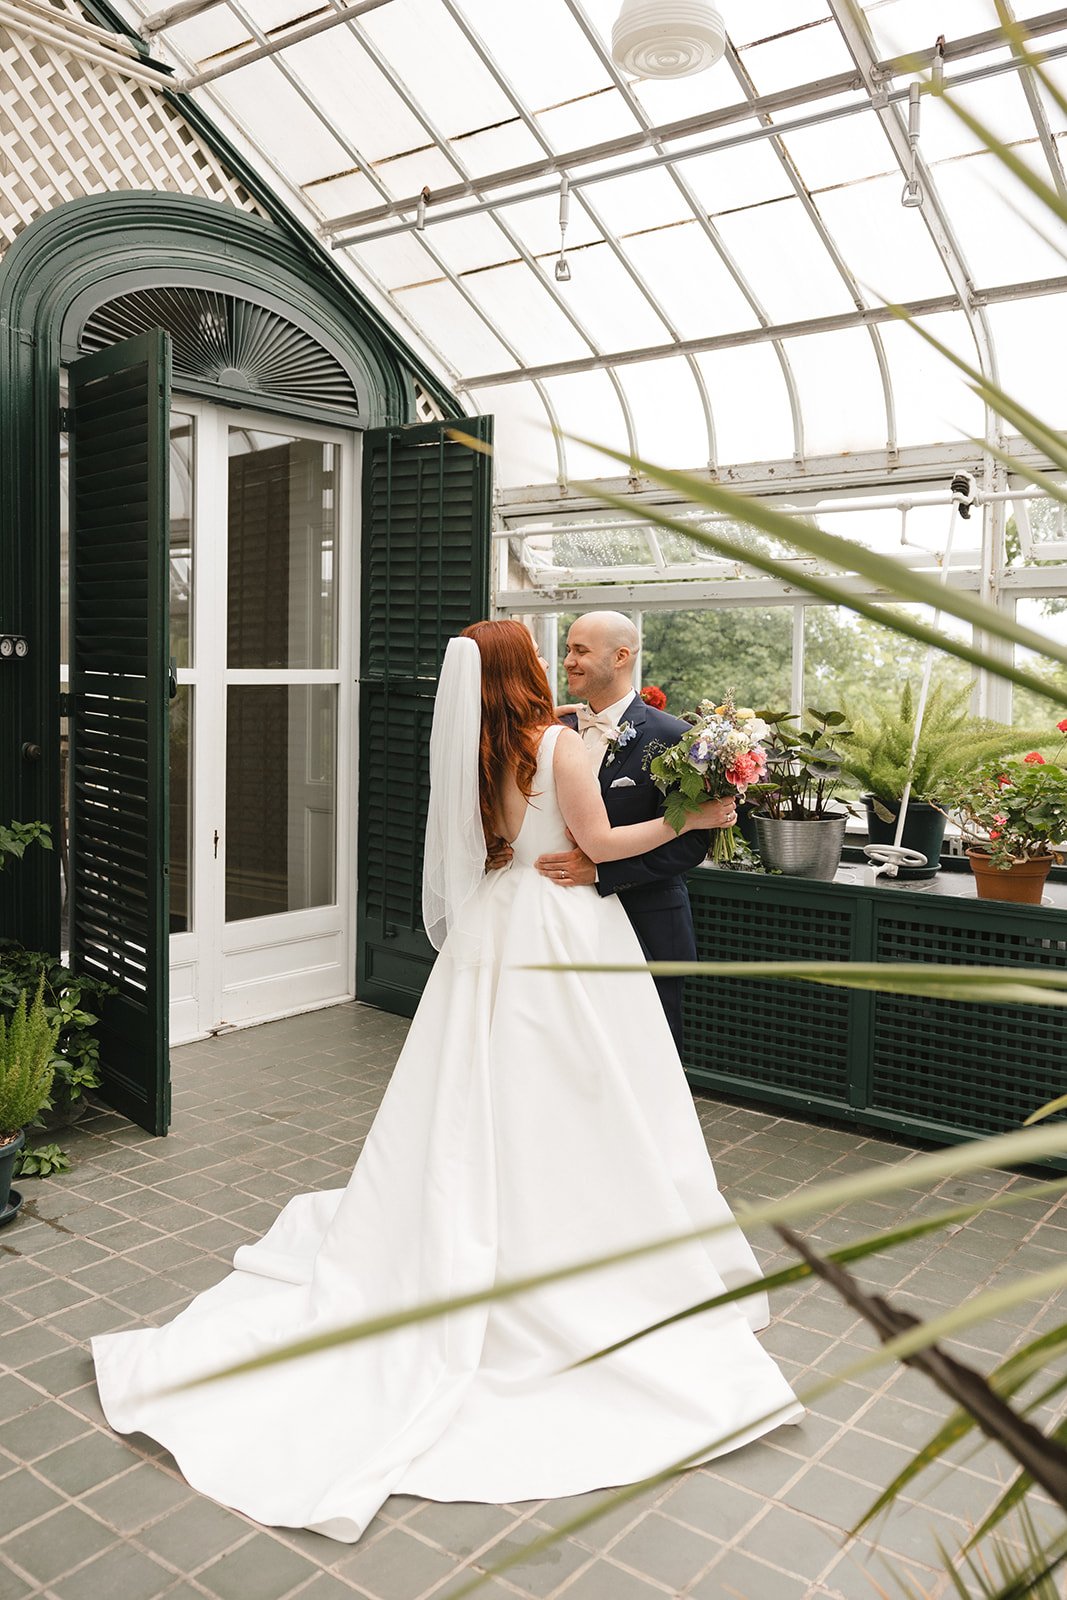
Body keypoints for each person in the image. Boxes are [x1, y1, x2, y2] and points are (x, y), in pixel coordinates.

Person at [91, 620, 800, 1543]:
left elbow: (495, 849)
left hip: (497, 926)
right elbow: (596, 846)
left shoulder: (476, 753)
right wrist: (693, 818)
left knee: (483, 1082)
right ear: (524, 671)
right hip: (561, 928)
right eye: (545, 656)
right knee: (589, 1086)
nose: (558, 664)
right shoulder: (555, 744)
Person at [534, 611, 710, 1053]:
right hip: (563, 922)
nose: (568, 660)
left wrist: (601, 873)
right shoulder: (558, 731)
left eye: (580, 651)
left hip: (646, 923)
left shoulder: (677, 738)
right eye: (567, 649)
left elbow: (692, 843)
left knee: (649, 1054)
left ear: (621, 657)